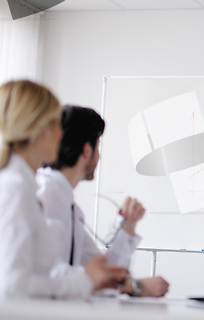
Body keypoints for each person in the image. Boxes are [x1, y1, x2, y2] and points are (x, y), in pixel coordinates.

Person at [0, 80, 127, 300]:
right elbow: (11, 287)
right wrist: (83, 281)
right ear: (42, 130)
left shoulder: (26, 187)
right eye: (57, 123)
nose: (62, 134)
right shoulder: (17, 188)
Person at [36, 105, 169, 297]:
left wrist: (129, 225)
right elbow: (51, 275)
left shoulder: (67, 204)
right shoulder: (46, 196)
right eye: (98, 146)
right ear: (87, 150)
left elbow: (107, 270)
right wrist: (134, 285)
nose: (99, 156)